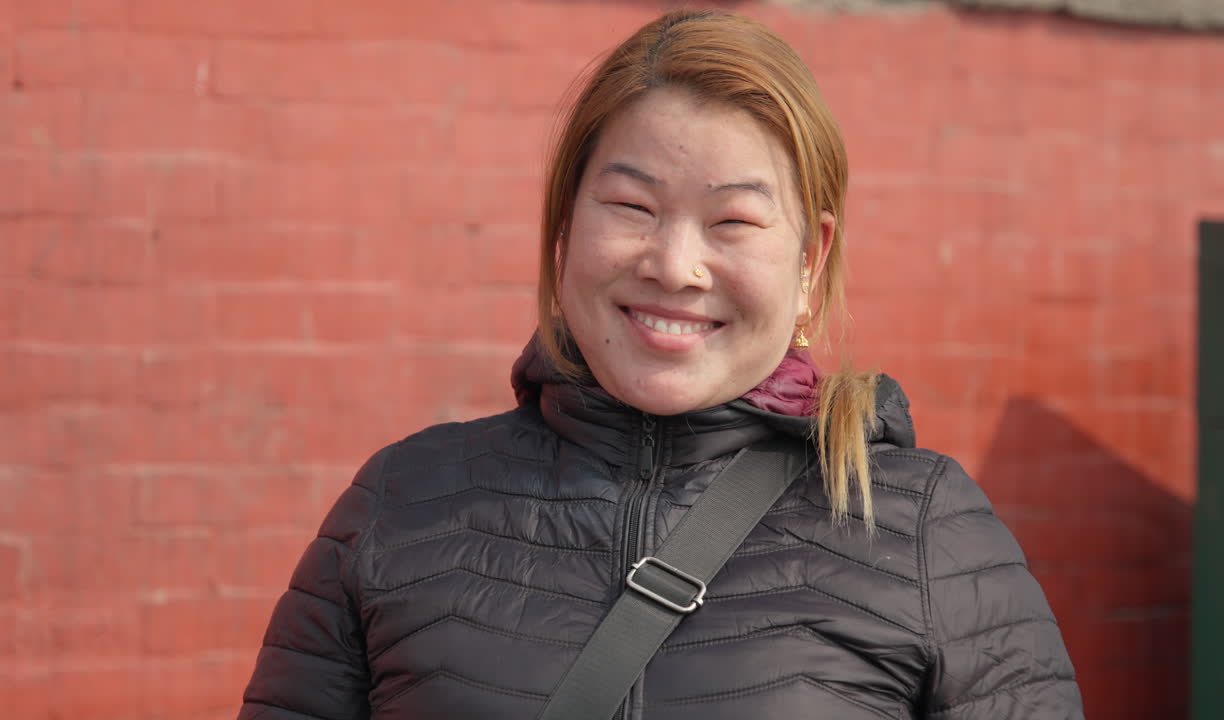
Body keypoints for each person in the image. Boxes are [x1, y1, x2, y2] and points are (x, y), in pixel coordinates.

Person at [238, 9, 1084, 720]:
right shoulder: (400, 506)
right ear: (564, 229)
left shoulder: (924, 531)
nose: (675, 266)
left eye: (734, 222)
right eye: (631, 206)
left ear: (810, 262)